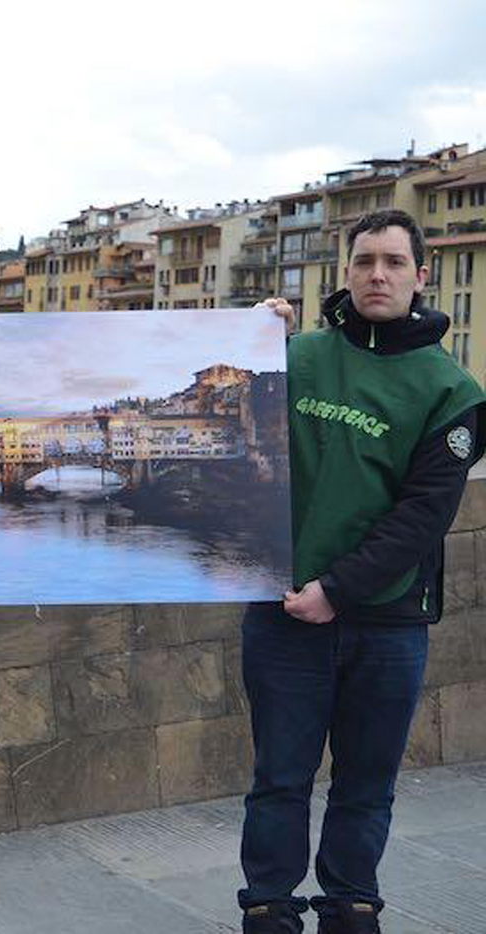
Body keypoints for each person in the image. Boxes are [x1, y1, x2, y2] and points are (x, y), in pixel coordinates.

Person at [240, 210, 486, 934]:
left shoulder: (452, 390)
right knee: (277, 779)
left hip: (387, 620)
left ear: (419, 274)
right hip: (282, 613)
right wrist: (243, 343)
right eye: (363, 262)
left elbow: (422, 515)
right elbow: (230, 436)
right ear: (343, 272)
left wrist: (336, 590)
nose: (377, 275)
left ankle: (350, 907)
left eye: (392, 263)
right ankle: (267, 909)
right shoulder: (294, 358)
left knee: (365, 784)